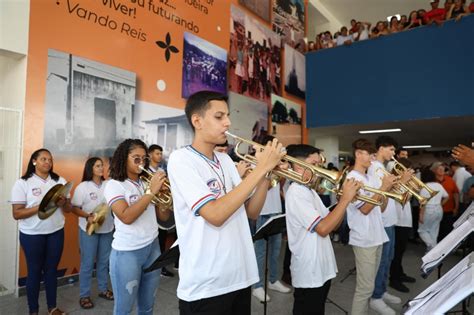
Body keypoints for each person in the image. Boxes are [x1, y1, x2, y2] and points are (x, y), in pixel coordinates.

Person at [167, 91, 284, 314]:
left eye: (228, 116)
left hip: (240, 275)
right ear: (197, 121)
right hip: (207, 284)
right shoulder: (181, 159)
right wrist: (260, 169)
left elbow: (251, 212)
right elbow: (215, 215)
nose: (228, 122)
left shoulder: (225, 160)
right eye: (219, 116)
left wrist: (265, 174)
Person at [285, 144, 360, 314]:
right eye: (315, 164)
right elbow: (323, 228)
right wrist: (344, 201)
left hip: (320, 266)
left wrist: (344, 201)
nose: (319, 170)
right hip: (309, 270)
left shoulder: (308, 191)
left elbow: (331, 224)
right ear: (298, 165)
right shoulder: (296, 192)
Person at [104, 139, 171, 315]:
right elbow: (126, 217)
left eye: (144, 158)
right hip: (127, 253)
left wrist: (164, 200)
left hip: (153, 247)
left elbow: (163, 218)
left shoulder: (145, 182)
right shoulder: (114, 185)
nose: (141, 163)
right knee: (124, 310)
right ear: (123, 159)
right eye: (136, 158)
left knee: (147, 307)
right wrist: (151, 192)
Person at [10, 148, 72, 315]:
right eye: (43, 159)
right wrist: (43, 205)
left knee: (52, 270)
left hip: (56, 231)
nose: (48, 162)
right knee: (34, 272)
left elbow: (68, 209)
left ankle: (52, 308)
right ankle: (34, 310)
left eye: (50, 160)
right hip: (32, 235)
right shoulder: (23, 183)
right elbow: (17, 213)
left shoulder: (59, 180)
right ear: (34, 161)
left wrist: (64, 203)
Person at [347, 139, 396, 315]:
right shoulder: (352, 178)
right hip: (364, 238)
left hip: (377, 235)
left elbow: (381, 208)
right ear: (358, 154)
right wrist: (383, 188)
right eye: (370, 154)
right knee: (364, 289)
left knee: (369, 285)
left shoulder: (368, 177)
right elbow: (366, 209)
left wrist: (387, 190)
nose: (373, 158)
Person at [368, 136, 412, 314]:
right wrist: (402, 181)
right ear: (381, 148)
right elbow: (382, 192)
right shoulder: (374, 167)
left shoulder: (383, 167)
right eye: (391, 150)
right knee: (382, 260)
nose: (394, 154)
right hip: (383, 221)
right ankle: (376, 297)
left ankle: (382, 290)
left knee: (388, 259)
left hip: (390, 219)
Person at [252, 135, 291, 303]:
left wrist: (281, 171)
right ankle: (257, 286)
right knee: (260, 252)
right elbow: (262, 187)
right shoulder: (255, 163)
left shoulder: (274, 164)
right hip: (260, 212)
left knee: (275, 251)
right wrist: (275, 170)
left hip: (275, 210)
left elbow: (279, 186)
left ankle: (273, 280)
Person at [71, 157, 114, 309]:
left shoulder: (109, 184)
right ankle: (84, 295)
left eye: (102, 165)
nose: (101, 168)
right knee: (87, 264)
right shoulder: (83, 187)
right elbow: (74, 208)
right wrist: (87, 216)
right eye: (97, 166)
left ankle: (103, 289)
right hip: (89, 230)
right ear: (90, 168)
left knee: (103, 262)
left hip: (107, 229)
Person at [389, 158, 417, 294]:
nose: (411, 171)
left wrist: (411, 186)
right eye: (409, 169)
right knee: (396, 252)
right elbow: (396, 197)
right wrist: (404, 182)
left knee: (401, 251)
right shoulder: (392, 180)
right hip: (397, 221)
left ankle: (399, 273)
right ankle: (394, 279)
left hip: (405, 219)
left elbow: (408, 198)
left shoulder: (407, 181)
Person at [148, 144, 174, 278]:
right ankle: (154, 267)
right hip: (150, 211)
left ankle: (161, 267)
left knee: (162, 239)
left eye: (160, 153)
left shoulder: (162, 171)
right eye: (157, 153)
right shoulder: (146, 172)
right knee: (155, 241)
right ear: (150, 154)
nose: (160, 156)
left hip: (161, 210)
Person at [418, 168, 449, 251]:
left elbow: (423, 203)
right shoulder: (439, 185)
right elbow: (447, 196)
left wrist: (421, 215)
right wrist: (440, 204)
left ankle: (432, 246)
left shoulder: (425, 187)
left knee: (422, 231)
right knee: (434, 231)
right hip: (439, 209)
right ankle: (431, 253)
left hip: (428, 210)